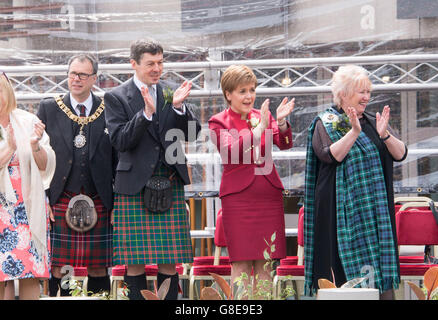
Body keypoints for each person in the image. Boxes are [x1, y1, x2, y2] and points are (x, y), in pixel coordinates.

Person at [104, 39, 201, 300]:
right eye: (150, 64)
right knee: (134, 261)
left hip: (169, 180)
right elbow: (120, 140)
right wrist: (145, 114)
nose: (157, 68)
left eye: (160, 62)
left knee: (170, 259)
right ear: (133, 64)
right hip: (134, 184)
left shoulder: (171, 92)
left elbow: (192, 134)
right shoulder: (116, 96)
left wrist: (180, 109)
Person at [303, 64, 408, 299]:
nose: (366, 97)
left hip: (375, 215)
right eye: (361, 91)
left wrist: (385, 135)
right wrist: (353, 132)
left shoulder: (373, 121)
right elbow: (330, 155)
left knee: (381, 279)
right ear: (343, 93)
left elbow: (401, 154)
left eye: (368, 91)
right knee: (344, 280)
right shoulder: (327, 121)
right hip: (340, 218)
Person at [208, 65, 295, 296]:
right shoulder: (218, 121)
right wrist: (259, 131)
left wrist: (283, 121)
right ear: (228, 94)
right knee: (241, 264)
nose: (249, 96)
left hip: (267, 195)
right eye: (242, 91)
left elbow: (284, 142)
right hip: (238, 200)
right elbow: (231, 152)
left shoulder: (262, 116)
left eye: (252, 90)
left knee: (266, 264)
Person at [37, 54, 116, 296]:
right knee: (61, 267)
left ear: (94, 78)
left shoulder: (109, 108)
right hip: (61, 196)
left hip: (100, 197)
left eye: (83, 74)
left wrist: (116, 202)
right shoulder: (49, 107)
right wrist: (45, 198)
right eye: (72, 73)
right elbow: (40, 158)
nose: (76, 79)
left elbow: (117, 157)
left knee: (98, 268)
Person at [0, 71, 56, 300]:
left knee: (30, 271)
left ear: (8, 92)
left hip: (28, 206)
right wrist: (11, 147)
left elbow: (46, 166)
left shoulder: (28, 120)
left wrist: (34, 146)